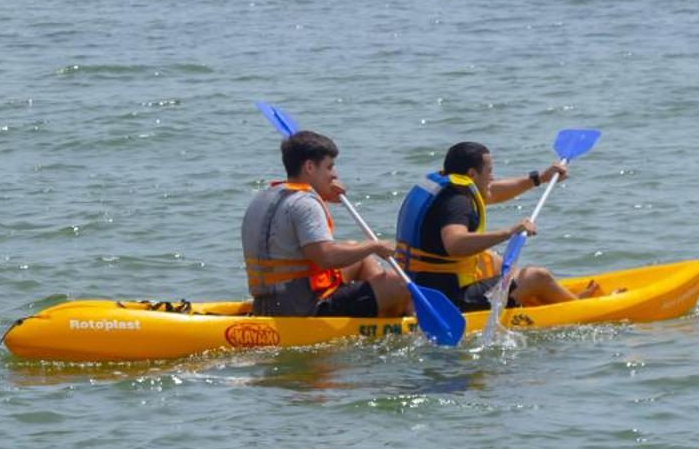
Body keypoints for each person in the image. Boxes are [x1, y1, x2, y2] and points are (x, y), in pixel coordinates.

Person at [394, 140, 593, 312]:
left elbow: (492, 192)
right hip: (446, 300)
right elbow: (454, 243)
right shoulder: (458, 202)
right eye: (489, 171)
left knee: (495, 262)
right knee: (536, 276)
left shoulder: (448, 188)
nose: (492, 177)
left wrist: (539, 178)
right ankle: (580, 308)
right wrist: (508, 232)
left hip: (420, 287)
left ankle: (540, 299)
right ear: (472, 173)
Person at [241, 129, 409, 318]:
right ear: (309, 167)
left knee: (358, 254)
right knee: (401, 284)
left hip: (269, 302)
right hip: (303, 308)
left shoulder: (266, 196)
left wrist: (325, 196)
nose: (334, 175)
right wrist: (374, 246)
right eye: (329, 167)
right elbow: (325, 258)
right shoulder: (306, 204)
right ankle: (395, 317)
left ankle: (380, 312)